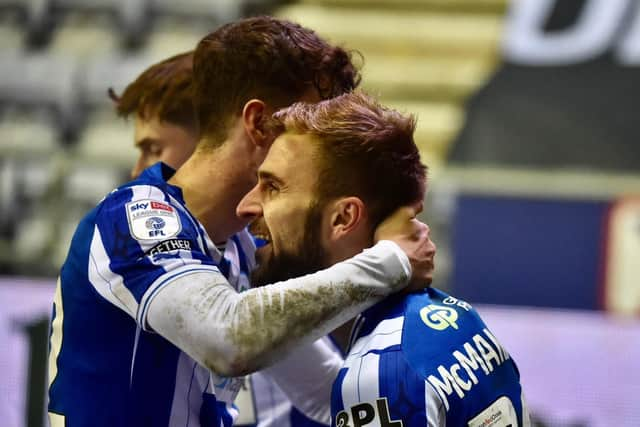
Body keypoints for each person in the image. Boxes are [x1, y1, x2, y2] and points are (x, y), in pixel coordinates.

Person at [47, 16, 434, 427]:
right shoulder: (136, 217)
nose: (322, 140)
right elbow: (228, 339)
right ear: (258, 122)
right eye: (308, 121)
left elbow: (325, 393)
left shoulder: (238, 244)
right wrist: (391, 261)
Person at [236, 91, 531, 427]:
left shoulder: (380, 370)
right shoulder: (455, 318)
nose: (245, 206)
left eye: (272, 187)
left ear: (343, 218)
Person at [111, 51, 341, 426]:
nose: (139, 170)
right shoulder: (138, 240)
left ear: (211, 135)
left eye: (154, 148)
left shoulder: (265, 255)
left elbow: (328, 392)